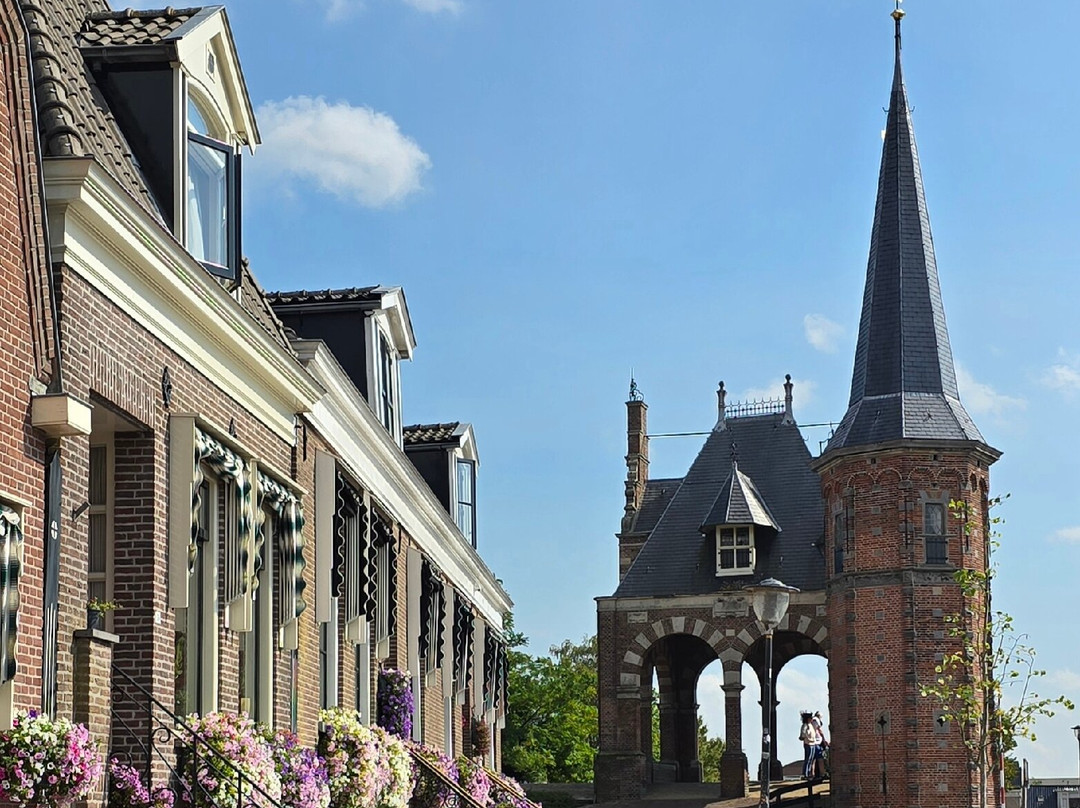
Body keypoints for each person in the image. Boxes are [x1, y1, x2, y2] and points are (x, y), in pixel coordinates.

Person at [799, 711, 822, 780]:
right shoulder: (805, 725)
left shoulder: (810, 725)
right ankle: (805, 774)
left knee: (811, 759)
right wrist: (804, 737)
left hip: (812, 743)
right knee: (808, 759)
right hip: (808, 743)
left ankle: (808, 773)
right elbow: (803, 733)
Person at [811, 711, 828, 779]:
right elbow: (820, 730)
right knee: (820, 759)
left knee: (813, 759)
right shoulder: (816, 720)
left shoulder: (811, 721)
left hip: (812, 742)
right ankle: (822, 773)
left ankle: (812, 774)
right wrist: (824, 739)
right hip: (817, 741)